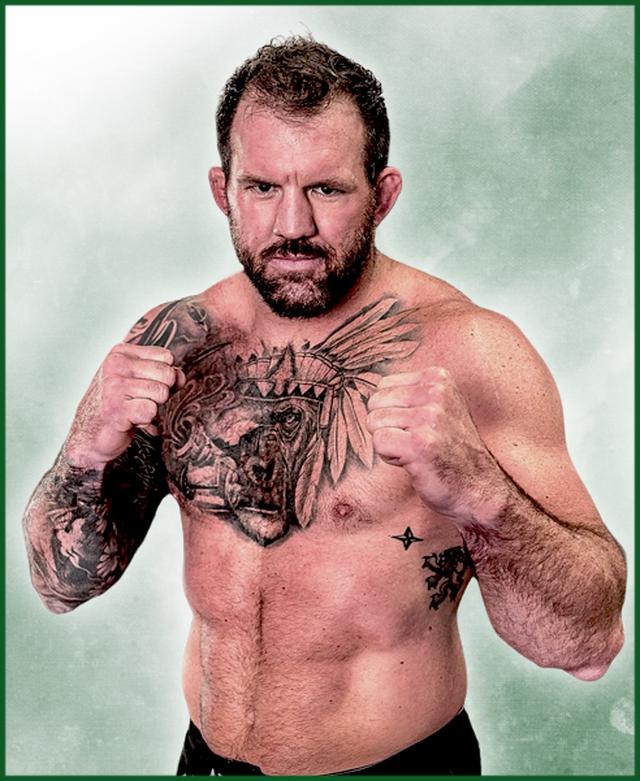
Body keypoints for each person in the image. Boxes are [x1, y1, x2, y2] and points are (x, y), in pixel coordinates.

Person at [22, 36, 626, 776]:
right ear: (222, 190)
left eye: (327, 190)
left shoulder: (471, 350)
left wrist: (483, 495)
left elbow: (586, 645)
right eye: (262, 188)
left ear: (384, 194)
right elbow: (61, 586)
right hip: (205, 761)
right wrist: (85, 450)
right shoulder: (178, 341)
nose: (292, 226)